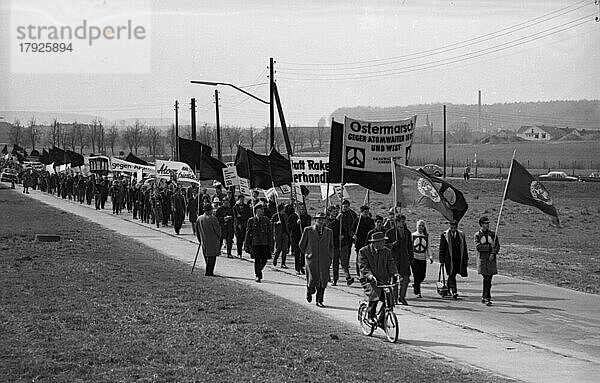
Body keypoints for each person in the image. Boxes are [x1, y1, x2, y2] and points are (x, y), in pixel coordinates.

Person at [358, 232, 399, 326]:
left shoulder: (387, 251)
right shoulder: (363, 251)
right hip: (368, 280)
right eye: (380, 242)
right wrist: (370, 276)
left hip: (383, 279)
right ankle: (370, 316)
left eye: (383, 241)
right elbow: (363, 267)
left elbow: (391, 264)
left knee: (389, 297)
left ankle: (381, 320)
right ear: (374, 243)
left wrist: (395, 274)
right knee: (374, 292)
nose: (382, 244)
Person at [299, 212, 334, 307]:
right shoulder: (308, 230)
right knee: (312, 279)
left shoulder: (329, 232)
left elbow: (331, 246)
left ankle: (320, 300)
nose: (321, 221)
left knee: (322, 281)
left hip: (324, 260)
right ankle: (309, 290)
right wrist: (308, 253)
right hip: (312, 259)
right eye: (319, 219)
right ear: (315, 220)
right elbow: (301, 245)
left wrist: (330, 257)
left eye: (323, 219)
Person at [385, 214, 414, 305]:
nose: (403, 223)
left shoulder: (407, 233)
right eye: (402, 221)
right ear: (396, 222)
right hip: (394, 259)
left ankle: (402, 297)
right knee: (395, 279)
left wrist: (411, 258)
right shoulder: (390, 232)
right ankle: (394, 297)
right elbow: (385, 246)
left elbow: (410, 246)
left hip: (405, 259)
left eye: (404, 221)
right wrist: (392, 244)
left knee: (406, 278)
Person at [439, 219, 469, 300]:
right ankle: (454, 291)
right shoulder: (444, 235)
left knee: (453, 274)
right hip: (448, 259)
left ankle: (448, 289)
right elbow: (442, 248)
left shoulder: (461, 235)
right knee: (451, 274)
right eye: (451, 227)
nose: (453, 229)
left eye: (454, 228)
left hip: (458, 259)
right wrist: (441, 260)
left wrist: (466, 258)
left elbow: (464, 247)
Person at [244, 203, 273, 283]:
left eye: (263, 209)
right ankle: (258, 275)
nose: (263, 211)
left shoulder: (266, 220)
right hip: (255, 243)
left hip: (264, 243)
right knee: (257, 260)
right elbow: (248, 233)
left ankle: (259, 270)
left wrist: (271, 245)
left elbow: (270, 233)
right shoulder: (251, 220)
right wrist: (246, 244)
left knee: (264, 259)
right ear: (257, 211)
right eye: (261, 209)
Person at [475, 216, 500, 306]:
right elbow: (478, 247)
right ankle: (486, 297)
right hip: (483, 260)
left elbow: (497, 246)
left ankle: (485, 296)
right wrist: (489, 246)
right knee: (486, 279)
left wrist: (493, 253)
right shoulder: (478, 235)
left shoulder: (493, 234)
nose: (487, 225)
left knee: (489, 279)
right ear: (481, 224)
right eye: (486, 223)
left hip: (491, 260)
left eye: (488, 223)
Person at [195, 203, 222, 276]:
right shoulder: (213, 218)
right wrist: (219, 236)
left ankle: (208, 270)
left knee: (206, 256)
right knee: (212, 257)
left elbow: (197, 231)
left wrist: (199, 239)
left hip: (203, 240)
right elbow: (217, 230)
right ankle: (209, 272)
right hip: (212, 240)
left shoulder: (199, 218)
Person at [411, 220, 433, 298]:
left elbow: (428, 247)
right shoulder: (413, 235)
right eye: (419, 225)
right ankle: (418, 292)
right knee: (416, 275)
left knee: (422, 275)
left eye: (422, 226)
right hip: (414, 258)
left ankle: (416, 285)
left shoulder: (426, 236)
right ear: (416, 226)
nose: (421, 227)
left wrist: (430, 256)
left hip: (423, 258)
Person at [352, 205, 375, 276]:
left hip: (368, 242)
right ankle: (359, 273)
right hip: (359, 242)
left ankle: (367, 273)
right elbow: (352, 230)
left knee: (368, 259)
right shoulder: (357, 221)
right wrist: (353, 235)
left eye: (367, 212)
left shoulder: (370, 221)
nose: (366, 213)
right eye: (365, 212)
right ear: (361, 212)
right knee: (359, 259)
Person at [338, 199, 357, 279]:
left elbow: (355, 223)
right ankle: (341, 261)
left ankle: (347, 262)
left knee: (348, 249)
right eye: (344, 207)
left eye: (346, 206)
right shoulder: (340, 214)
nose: (345, 208)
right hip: (341, 235)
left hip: (349, 235)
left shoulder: (352, 214)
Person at [287, 204, 304, 275]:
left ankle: (301, 266)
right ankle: (297, 268)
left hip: (302, 236)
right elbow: (289, 227)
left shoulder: (304, 216)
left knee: (303, 252)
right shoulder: (292, 216)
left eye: (303, 209)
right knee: (297, 252)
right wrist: (296, 224)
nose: (302, 210)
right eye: (300, 208)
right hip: (295, 237)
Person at [271, 203, 290, 268]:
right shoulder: (276, 215)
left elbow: (287, 223)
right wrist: (276, 223)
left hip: (285, 234)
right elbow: (270, 223)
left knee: (284, 249)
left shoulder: (285, 215)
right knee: (278, 248)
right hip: (278, 234)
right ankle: (275, 259)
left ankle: (283, 263)